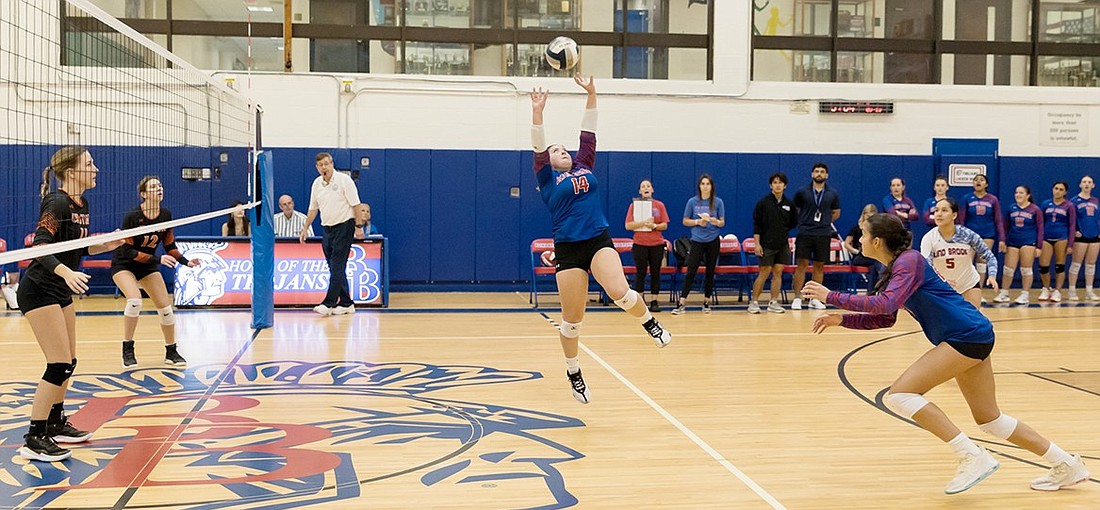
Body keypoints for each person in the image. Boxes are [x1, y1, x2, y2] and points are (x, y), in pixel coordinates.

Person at [802, 213, 1089, 495]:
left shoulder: (909, 260)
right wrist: (841, 319)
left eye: (863, 234)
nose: (860, 239)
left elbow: (885, 304)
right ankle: (1065, 463)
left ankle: (971, 455)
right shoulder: (894, 267)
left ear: (876, 241)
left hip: (965, 335)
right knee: (990, 419)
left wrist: (830, 296)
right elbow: (885, 317)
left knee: (901, 395)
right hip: (970, 333)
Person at [530, 74, 671, 404]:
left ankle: (649, 322)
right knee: (572, 321)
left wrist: (591, 93)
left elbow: (588, 132)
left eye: (564, 148)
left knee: (620, 292)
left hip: (597, 239)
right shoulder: (548, 181)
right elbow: (538, 144)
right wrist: (538, 112)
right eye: (556, 150)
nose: (562, 150)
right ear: (548, 163)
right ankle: (573, 370)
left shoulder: (584, 165)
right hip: (567, 248)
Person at [16, 146, 123, 461]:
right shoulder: (57, 201)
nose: (97, 169)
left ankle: (55, 421)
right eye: (90, 164)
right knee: (58, 363)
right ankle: (35, 437)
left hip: (59, 289)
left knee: (69, 362)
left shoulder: (82, 203)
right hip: (39, 289)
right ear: (73, 171)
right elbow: (40, 247)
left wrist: (109, 242)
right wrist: (65, 272)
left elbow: (78, 248)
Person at [112, 176, 200, 368]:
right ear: (143, 194)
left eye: (160, 185)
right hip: (124, 264)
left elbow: (170, 245)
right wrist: (158, 259)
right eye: (153, 186)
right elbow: (127, 250)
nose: (159, 188)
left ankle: (171, 351)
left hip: (147, 265)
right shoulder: (133, 216)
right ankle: (128, 348)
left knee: (166, 310)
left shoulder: (165, 215)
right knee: (135, 301)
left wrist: (186, 262)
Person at [299, 152, 367, 316]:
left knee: (337, 265)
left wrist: (358, 227)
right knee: (334, 267)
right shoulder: (316, 184)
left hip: (345, 226)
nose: (324, 167)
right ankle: (346, 303)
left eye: (327, 164)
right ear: (317, 168)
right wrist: (305, 228)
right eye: (321, 165)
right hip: (327, 228)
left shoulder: (344, 181)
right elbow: (313, 208)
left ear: (332, 164)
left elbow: (356, 205)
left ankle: (328, 303)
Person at [920, 197, 999, 308]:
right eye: (936, 210)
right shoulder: (929, 238)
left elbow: (989, 257)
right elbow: (926, 267)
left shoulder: (967, 235)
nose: (938, 214)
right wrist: (942, 280)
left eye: (944, 210)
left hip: (968, 284)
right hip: (942, 287)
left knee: (972, 322)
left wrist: (992, 276)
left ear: (954, 215)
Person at [671, 174, 725, 315]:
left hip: (713, 240)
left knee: (710, 271)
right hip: (697, 240)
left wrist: (715, 221)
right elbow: (685, 220)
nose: (705, 186)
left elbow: (722, 222)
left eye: (708, 184)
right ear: (699, 186)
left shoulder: (718, 202)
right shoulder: (692, 202)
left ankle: (707, 301)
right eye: (703, 184)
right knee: (691, 271)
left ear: (711, 186)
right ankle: (682, 302)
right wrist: (697, 222)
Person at [791, 162, 840, 310]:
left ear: (827, 175)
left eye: (822, 171)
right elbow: (796, 210)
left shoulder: (832, 193)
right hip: (805, 232)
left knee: (819, 266)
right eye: (816, 171)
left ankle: (815, 299)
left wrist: (824, 222)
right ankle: (798, 297)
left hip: (823, 233)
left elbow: (836, 212)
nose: (819, 174)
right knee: (802, 266)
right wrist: (805, 221)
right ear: (812, 174)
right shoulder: (802, 192)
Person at [748, 172, 796, 314]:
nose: (778, 185)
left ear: (785, 185)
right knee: (764, 272)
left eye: (780, 182)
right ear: (771, 185)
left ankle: (773, 302)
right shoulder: (763, 203)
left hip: (782, 244)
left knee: (778, 272)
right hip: (766, 244)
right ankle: (754, 302)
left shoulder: (789, 205)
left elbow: (793, 222)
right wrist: (757, 244)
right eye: (775, 182)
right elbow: (757, 225)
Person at [624, 180, 669, 313]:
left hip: (657, 244)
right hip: (640, 244)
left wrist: (654, 226)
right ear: (640, 191)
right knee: (641, 272)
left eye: (648, 186)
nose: (646, 188)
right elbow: (628, 225)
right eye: (643, 186)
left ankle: (654, 300)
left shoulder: (659, 205)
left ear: (652, 190)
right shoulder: (634, 206)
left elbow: (665, 225)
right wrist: (643, 223)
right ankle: (640, 300)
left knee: (655, 272)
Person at [994, 186, 1043, 305]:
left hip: (1028, 241)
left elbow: (1040, 228)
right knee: (1008, 269)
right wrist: (1003, 240)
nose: (1018, 195)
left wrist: (1039, 246)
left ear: (1028, 195)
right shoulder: (1011, 208)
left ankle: (1025, 294)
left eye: (1021, 193)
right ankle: (1004, 292)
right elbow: (1005, 226)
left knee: (1026, 269)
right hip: (1013, 241)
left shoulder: (1035, 209)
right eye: (1016, 192)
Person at [958, 174, 1004, 292]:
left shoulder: (993, 199)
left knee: (982, 262)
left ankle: (979, 290)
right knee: (967, 261)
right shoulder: (967, 198)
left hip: (987, 234)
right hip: (969, 235)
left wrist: (1002, 239)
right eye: (976, 180)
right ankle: (965, 289)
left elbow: (998, 219)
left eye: (981, 180)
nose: (978, 182)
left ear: (986, 184)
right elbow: (961, 219)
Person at [1037, 182, 1076, 302]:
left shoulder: (1069, 205)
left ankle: (1058, 291)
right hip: (1046, 238)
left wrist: (1070, 244)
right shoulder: (1045, 204)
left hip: (1061, 238)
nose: (1058, 191)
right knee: (1043, 266)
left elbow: (1072, 225)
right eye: (1056, 188)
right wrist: (1039, 240)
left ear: (1065, 192)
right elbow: (1040, 223)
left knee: (1059, 266)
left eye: (1061, 189)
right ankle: (1046, 288)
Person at [1068, 175, 1100, 301]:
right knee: (1076, 263)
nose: (1087, 184)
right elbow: (1070, 219)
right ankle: (1071, 290)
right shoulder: (1074, 201)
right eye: (1084, 182)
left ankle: (1089, 290)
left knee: (1091, 264)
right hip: (1081, 236)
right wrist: (1074, 231)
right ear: (1080, 185)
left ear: (1093, 185)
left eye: (1089, 182)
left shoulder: (1096, 201)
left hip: (1094, 236)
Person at [844, 204, 881, 292]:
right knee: (878, 262)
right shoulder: (856, 228)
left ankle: (870, 292)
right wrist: (855, 251)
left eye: (871, 213)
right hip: (860, 257)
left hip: (872, 256)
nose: (868, 215)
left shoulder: (877, 229)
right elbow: (846, 243)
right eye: (866, 213)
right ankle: (883, 285)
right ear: (863, 215)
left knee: (873, 267)